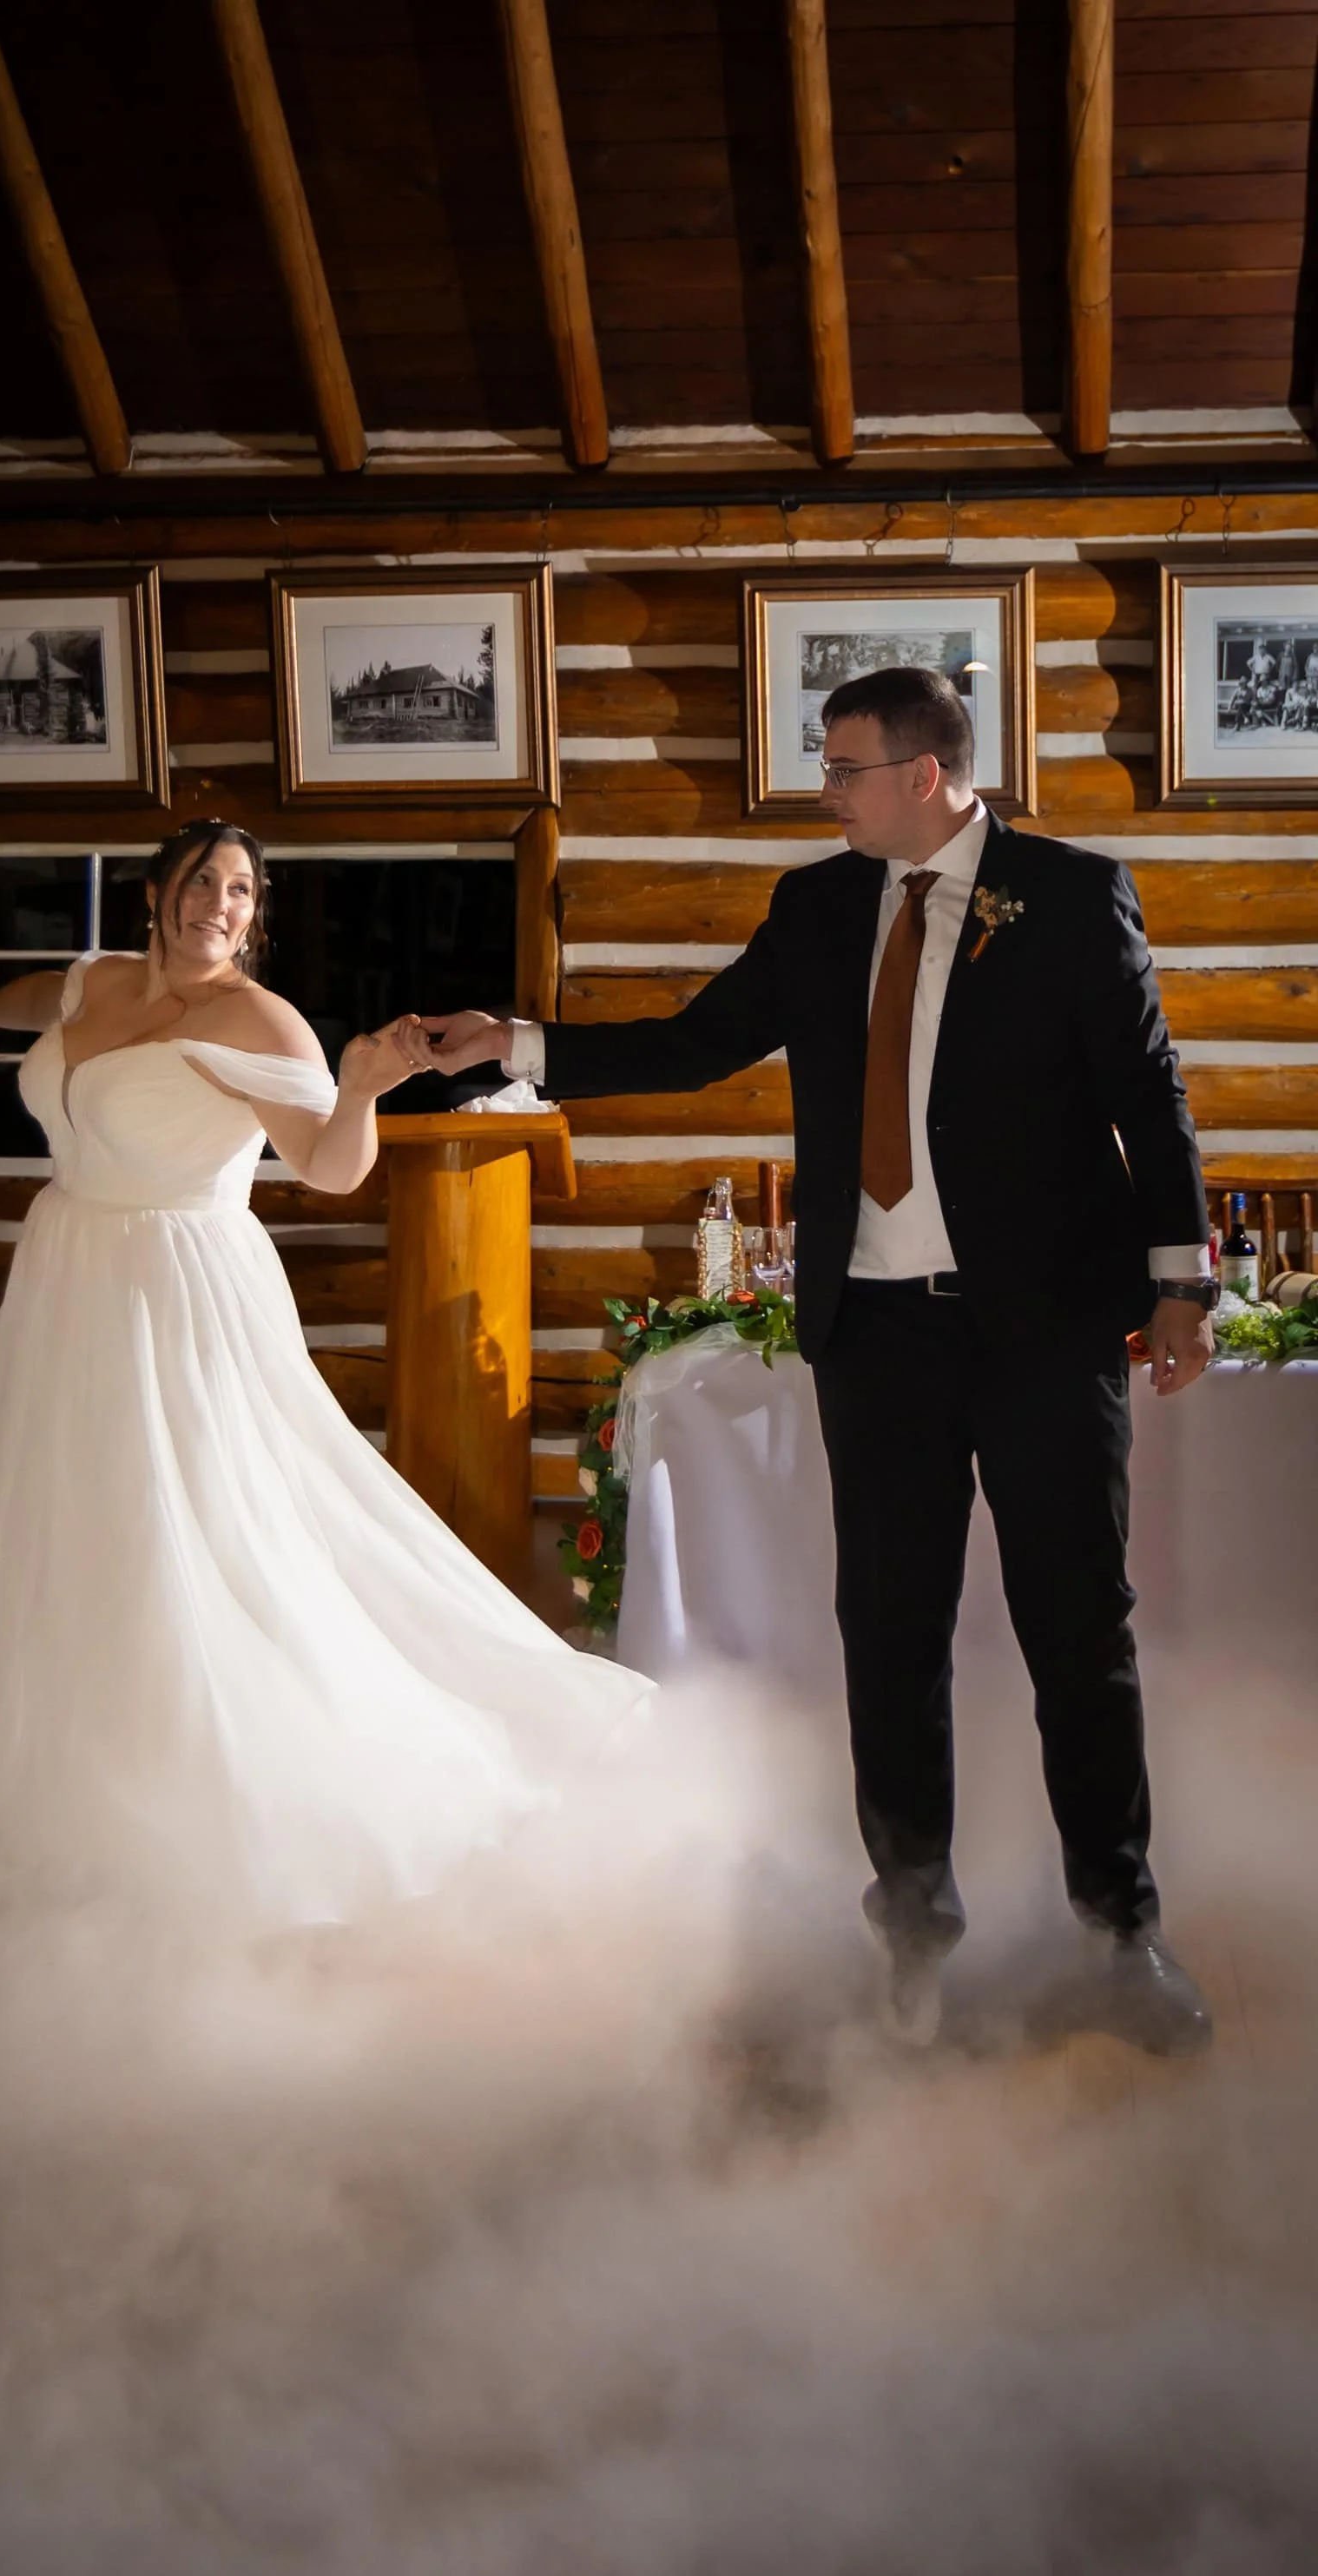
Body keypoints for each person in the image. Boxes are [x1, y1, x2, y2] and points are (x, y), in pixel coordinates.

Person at [0, 820, 650, 1967]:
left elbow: (329, 1169)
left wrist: (362, 1088)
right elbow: (35, 998)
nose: (220, 902)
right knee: (58, 1522)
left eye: (242, 890)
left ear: (253, 915)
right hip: (68, 1274)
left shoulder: (261, 1021)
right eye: (202, 881)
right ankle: (53, 1778)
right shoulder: (99, 980)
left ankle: (201, 1798)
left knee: (191, 1524)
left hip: (180, 1288)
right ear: (158, 893)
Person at [427, 668, 1217, 2055]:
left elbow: (1148, 1098)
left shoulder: (1073, 896)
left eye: (843, 769)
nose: (825, 792)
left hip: (1044, 1333)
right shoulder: (817, 908)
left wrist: (1181, 1284)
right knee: (892, 1640)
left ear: (923, 775)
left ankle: (1121, 1931)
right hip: (880, 1337)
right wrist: (524, 1045)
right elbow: (698, 1046)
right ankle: (913, 1934)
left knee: (1078, 1635)